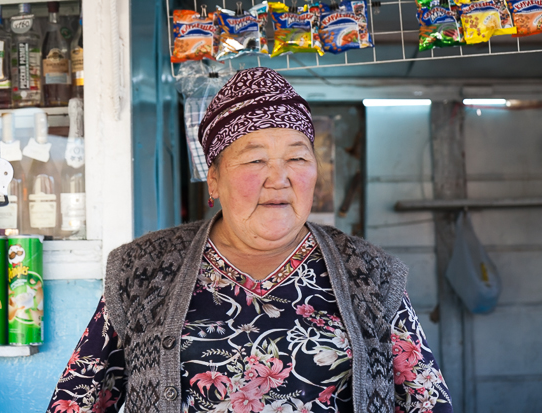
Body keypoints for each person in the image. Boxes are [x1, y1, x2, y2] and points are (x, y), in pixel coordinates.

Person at [47, 68, 452, 413]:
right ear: (215, 179)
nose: (279, 177)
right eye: (255, 159)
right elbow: (76, 399)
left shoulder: (369, 272)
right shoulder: (144, 270)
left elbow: (426, 399)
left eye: (297, 157)